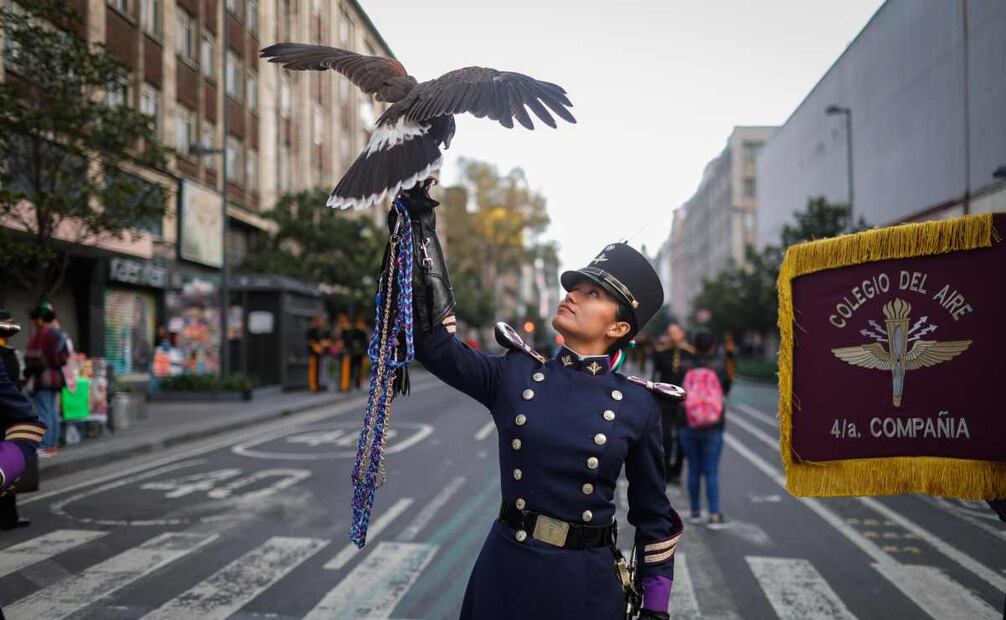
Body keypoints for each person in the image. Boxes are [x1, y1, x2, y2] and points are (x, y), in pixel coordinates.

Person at [398, 183, 685, 620]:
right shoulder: (513, 374)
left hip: (586, 585)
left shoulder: (637, 405)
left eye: (593, 294)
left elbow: (653, 518)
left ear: (618, 329)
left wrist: (655, 610)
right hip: (507, 571)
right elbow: (435, 344)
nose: (572, 295)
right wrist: (420, 234)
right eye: (576, 287)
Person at [677, 330, 731, 529]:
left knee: (693, 469)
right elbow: (725, 389)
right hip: (714, 423)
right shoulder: (719, 366)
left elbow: (677, 392)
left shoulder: (683, 365)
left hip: (687, 422)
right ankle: (715, 514)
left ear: (694, 345)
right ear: (713, 346)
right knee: (711, 471)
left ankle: (695, 513)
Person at [0, 310, 47, 525]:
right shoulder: (5, 354)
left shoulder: (8, 352)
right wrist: (28, 418)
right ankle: (8, 518)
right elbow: (7, 388)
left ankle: (9, 517)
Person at [23, 302, 68, 458]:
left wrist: (27, 372)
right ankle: (53, 446)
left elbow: (35, 358)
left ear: (40, 319)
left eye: (34, 319)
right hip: (56, 377)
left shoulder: (43, 334)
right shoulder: (59, 333)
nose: (33, 323)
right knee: (53, 412)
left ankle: (46, 446)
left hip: (43, 378)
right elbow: (64, 357)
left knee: (44, 412)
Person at [651, 324, 694, 485]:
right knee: (666, 436)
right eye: (670, 333)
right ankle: (665, 470)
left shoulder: (690, 353)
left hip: (685, 401)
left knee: (682, 438)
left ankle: (677, 470)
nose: (673, 336)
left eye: (676, 332)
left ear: (682, 334)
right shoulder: (660, 353)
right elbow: (655, 375)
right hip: (665, 400)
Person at [306, 314, 332, 392]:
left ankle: (323, 385)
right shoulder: (311, 331)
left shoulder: (326, 331)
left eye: (321, 321)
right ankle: (314, 386)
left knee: (323, 369)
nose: (320, 322)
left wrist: (325, 344)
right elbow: (309, 342)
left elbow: (329, 341)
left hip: (324, 353)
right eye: (318, 321)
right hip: (314, 353)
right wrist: (316, 347)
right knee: (314, 370)